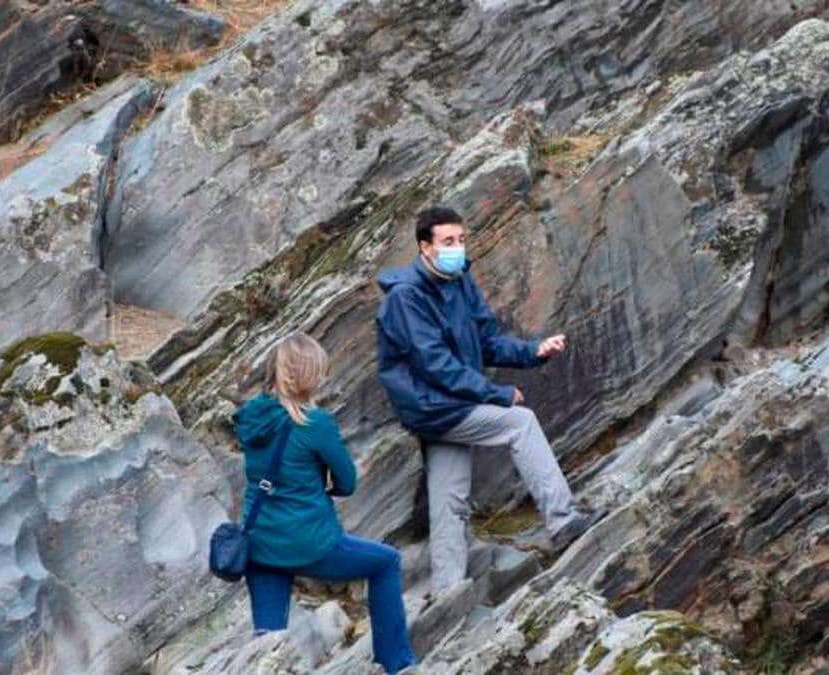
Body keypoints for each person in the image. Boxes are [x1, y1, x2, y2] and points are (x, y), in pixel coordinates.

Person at [375, 206, 604, 591]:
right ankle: (563, 522)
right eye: (448, 242)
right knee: (520, 422)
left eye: (462, 240)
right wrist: (496, 394)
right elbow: (436, 366)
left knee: (449, 498)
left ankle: (447, 591)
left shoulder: (460, 280)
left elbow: (488, 342)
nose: (458, 248)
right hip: (433, 407)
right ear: (424, 247)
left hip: (448, 405)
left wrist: (534, 352)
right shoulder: (405, 298)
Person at [233, 332, 415, 674]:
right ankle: (396, 664)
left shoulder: (251, 419)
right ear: (312, 376)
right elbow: (346, 482)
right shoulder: (316, 424)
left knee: (268, 642)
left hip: (259, 544)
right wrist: (320, 491)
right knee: (386, 562)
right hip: (308, 542)